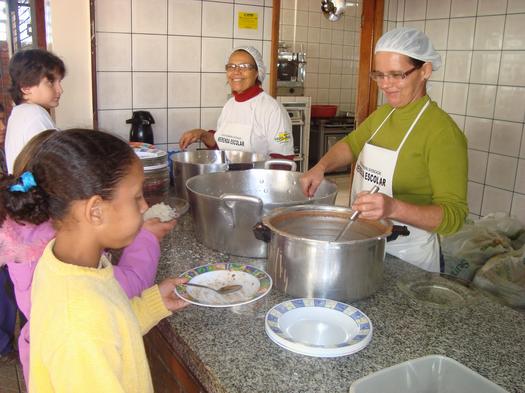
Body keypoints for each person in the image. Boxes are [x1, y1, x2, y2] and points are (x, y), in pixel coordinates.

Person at [0, 129, 184, 391]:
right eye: (135, 198)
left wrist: (152, 305)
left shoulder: (64, 264)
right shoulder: (78, 328)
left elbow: (108, 325)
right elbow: (91, 327)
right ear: (95, 211)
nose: (144, 206)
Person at [300, 27, 468, 272]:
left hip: (408, 260)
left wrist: (393, 208)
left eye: (397, 75)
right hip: (363, 244)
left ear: (425, 71)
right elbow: (351, 144)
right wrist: (321, 167)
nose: (385, 85)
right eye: (379, 75)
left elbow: (454, 216)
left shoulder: (442, 133)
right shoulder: (384, 114)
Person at [179, 46, 294, 160]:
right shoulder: (229, 105)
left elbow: (283, 161)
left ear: (257, 72)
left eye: (244, 66)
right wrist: (201, 134)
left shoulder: (272, 109)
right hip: (228, 177)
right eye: (231, 66)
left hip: (258, 178)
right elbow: (221, 145)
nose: (236, 72)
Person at [5, 48, 65, 173]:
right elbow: (52, 167)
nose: (60, 90)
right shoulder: (35, 114)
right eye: (51, 82)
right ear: (26, 87)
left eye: (59, 82)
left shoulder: (19, 113)